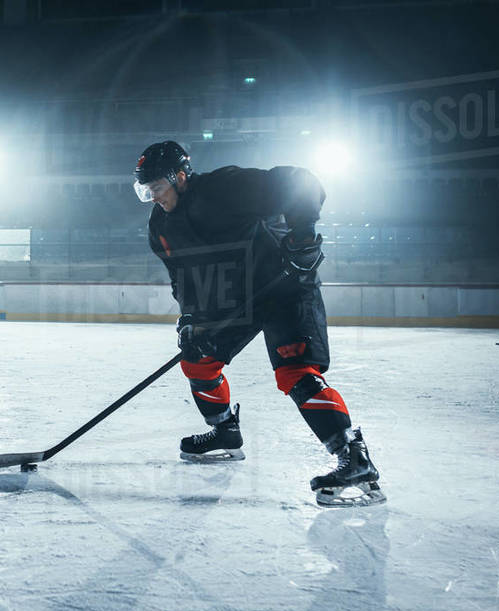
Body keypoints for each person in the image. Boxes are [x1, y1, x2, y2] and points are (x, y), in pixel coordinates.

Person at [134, 140, 384, 507]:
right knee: (196, 361)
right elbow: (183, 278)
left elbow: (302, 182)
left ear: (181, 178)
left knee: (295, 373)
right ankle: (224, 431)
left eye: (156, 188)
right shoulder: (161, 227)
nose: (153, 197)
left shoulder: (225, 188)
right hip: (234, 301)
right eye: (146, 191)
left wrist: (303, 239)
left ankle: (354, 458)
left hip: (284, 286)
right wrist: (191, 320)